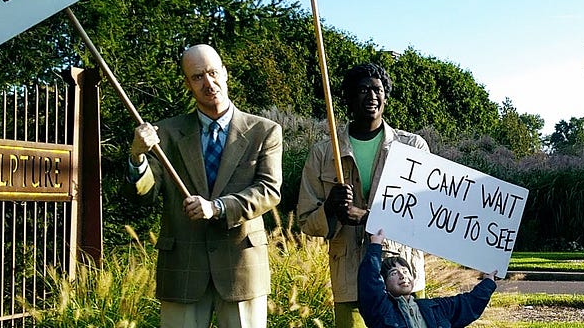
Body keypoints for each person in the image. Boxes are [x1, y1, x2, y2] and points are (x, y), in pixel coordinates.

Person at [127, 44, 283, 328]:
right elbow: (145, 195)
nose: (208, 83)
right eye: (197, 77)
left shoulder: (265, 130)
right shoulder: (166, 134)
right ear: (187, 83)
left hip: (241, 266)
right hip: (183, 269)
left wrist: (218, 208)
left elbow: (269, 190)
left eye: (213, 73)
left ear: (225, 73)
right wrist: (137, 155)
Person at [297, 63, 430, 328]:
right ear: (347, 97)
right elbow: (305, 220)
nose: (371, 96)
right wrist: (330, 209)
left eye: (377, 89)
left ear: (385, 96)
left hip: (401, 275)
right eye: (362, 90)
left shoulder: (412, 147)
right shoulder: (323, 154)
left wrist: (369, 218)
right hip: (349, 279)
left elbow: (424, 215)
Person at [357, 230, 496, 328]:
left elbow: (468, 304)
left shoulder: (435, 307)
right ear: (384, 284)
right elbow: (369, 282)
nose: (402, 275)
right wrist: (375, 245)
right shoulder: (381, 310)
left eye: (405, 271)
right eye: (394, 273)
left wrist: (488, 282)